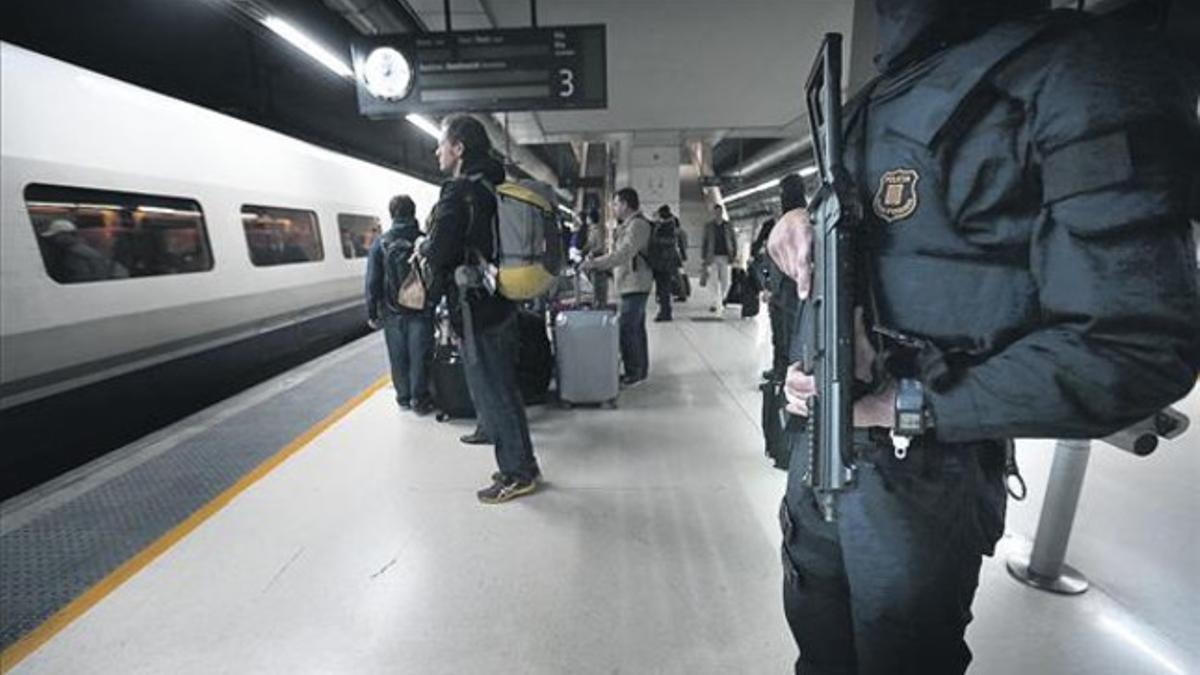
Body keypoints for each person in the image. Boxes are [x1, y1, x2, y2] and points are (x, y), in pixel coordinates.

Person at [769, 2, 1200, 673]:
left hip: (926, 474)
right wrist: (796, 231)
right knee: (820, 646)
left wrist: (906, 404)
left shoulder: (1078, 75)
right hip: (824, 464)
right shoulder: (872, 99)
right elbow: (861, 268)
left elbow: (1136, 347)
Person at [417, 114, 541, 504]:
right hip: (501, 302)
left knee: (492, 393)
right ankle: (525, 464)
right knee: (505, 389)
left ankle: (516, 473)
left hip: (475, 309)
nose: (437, 151)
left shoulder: (458, 192)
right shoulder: (495, 185)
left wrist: (425, 247)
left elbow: (440, 252)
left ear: (459, 148)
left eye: (442, 144)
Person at [365, 194, 435, 415]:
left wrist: (372, 311)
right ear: (413, 213)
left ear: (392, 214)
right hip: (420, 307)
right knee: (419, 354)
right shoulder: (423, 240)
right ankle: (419, 398)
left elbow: (372, 281)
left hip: (392, 310)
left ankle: (403, 397)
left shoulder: (381, 243)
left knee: (398, 355)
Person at [580, 187, 653, 386]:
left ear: (625, 204)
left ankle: (633, 372)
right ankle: (640, 370)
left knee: (627, 328)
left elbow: (623, 254)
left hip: (636, 283)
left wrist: (595, 263)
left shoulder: (637, 225)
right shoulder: (628, 225)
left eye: (615, 203)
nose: (613, 207)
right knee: (636, 328)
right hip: (631, 282)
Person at [759, 175, 807, 382]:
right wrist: (767, 285)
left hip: (792, 288)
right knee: (780, 335)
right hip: (779, 288)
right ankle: (779, 369)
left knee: (790, 335)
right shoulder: (781, 221)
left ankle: (789, 372)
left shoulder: (804, 219)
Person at [38, 219, 128, 283]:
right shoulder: (79, 249)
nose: (54, 239)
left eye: (56, 236)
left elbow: (81, 279)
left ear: (66, 235)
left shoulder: (76, 255)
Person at [701, 203, 738, 315]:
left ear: (722, 212)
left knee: (726, 281)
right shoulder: (709, 226)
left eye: (719, 212)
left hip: (726, 256)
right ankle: (714, 302)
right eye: (716, 212)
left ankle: (721, 299)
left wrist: (734, 254)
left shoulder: (728, 225)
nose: (718, 214)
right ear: (714, 213)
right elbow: (705, 242)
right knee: (713, 281)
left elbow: (733, 241)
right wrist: (704, 257)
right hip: (712, 256)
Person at [650, 204, 684, 322]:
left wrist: (656, 240)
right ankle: (665, 311)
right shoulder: (668, 224)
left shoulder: (668, 225)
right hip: (665, 261)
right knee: (663, 288)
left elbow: (669, 241)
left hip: (665, 261)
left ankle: (665, 312)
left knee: (664, 288)